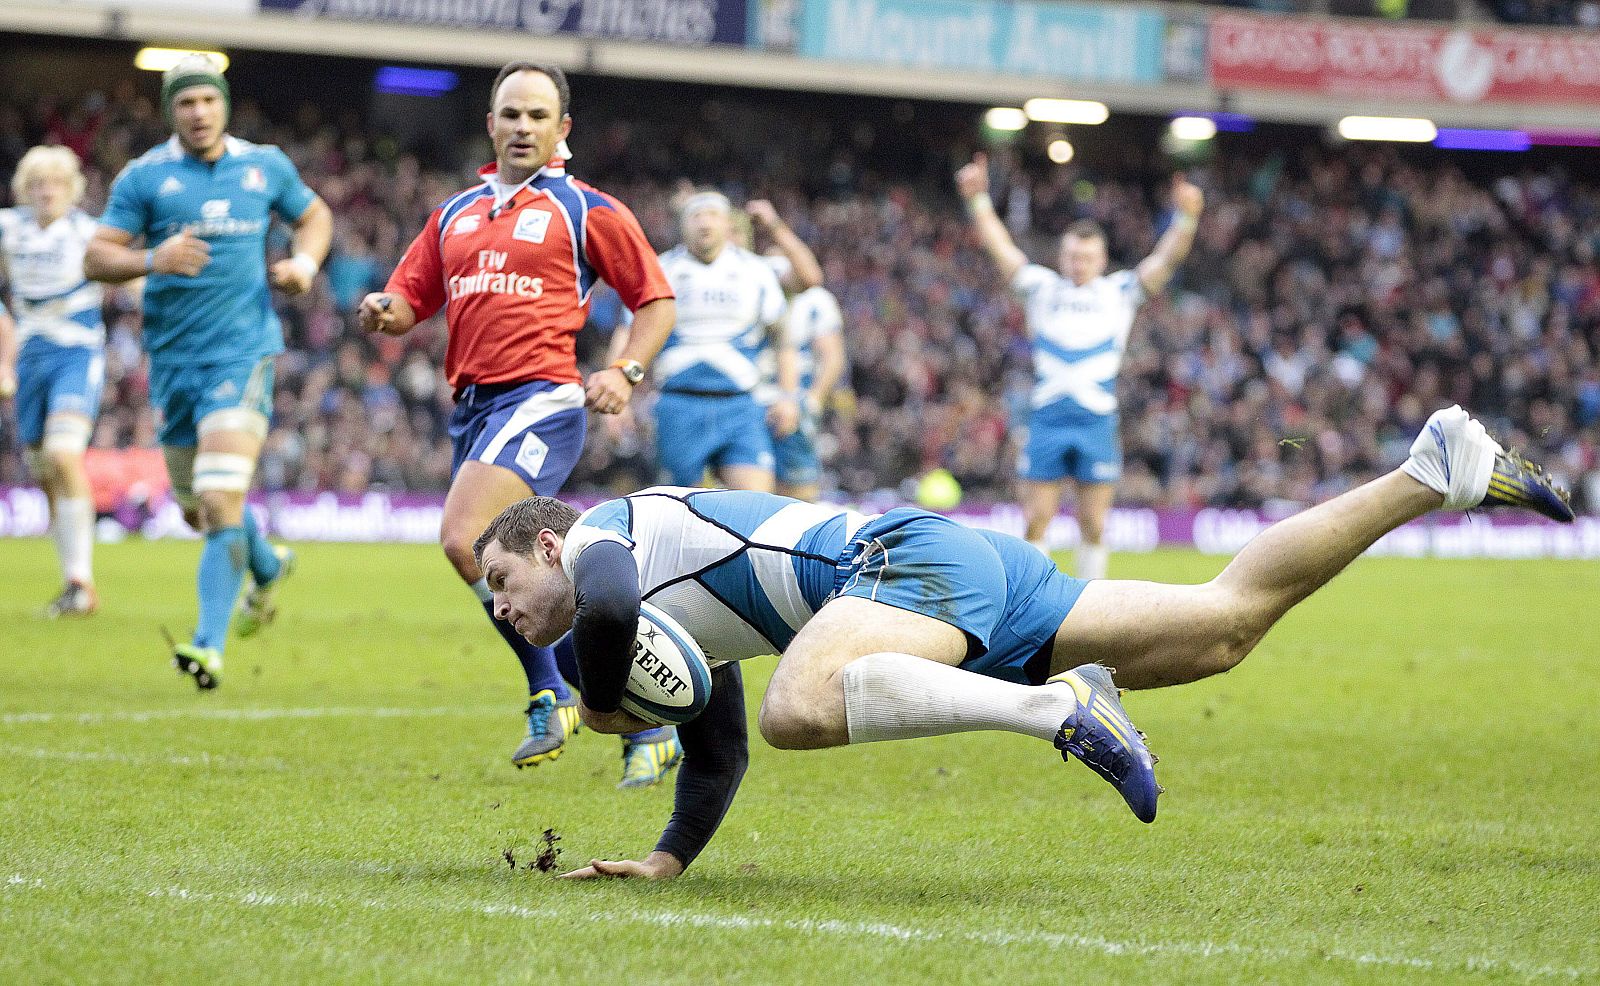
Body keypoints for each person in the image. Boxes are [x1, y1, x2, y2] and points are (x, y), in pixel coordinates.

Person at [473, 405, 1572, 879]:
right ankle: (1432, 468)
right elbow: (714, 754)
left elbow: (606, 597)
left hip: (899, 563)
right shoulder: (658, 618)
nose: (498, 606)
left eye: (501, 578)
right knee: (1223, 624)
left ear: (547, 542)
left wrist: (602, 704)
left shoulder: (609, 536)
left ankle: (1059, 708)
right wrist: (666, 859)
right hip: (957, 574)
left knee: (800, 699)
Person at [357, 62, 683, 788]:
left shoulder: (588, 210)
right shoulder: (454, 214)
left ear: (562, 128)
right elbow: (411, 299)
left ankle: (548, 694)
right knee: (524, 582)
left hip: (542, 397)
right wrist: (386, 309)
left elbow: (655, 301)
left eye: (539, 115)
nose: (524, 127)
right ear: (491, 124)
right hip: (473, 409)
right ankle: (649, 719)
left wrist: (624, 371)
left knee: (461, 539)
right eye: (512, 114)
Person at [85, 55, 330, 688]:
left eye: (208, 101)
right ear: (172, 110)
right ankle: (269, 566)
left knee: (220, 500)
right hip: (172, 363)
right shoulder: (145, 178)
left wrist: (304, 264)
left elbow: (315, 215)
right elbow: (96, 257)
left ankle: (206, 647)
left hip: (242, 352)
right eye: (186, 102)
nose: (199, 112)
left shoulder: (264, 165)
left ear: (225, 106)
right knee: (201, 511)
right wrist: (151, 257)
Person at [956, 153, 1203, 580]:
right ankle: (1034, 600)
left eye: (1087, 257)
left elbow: (1166, 261)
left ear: (1102, 259)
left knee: (1094, 524)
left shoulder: (1119, 291)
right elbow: (1001, 249)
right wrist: (978, 201)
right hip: (1049, 417)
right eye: (1071, 255)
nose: (1078, 264)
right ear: (1061, 255)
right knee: (1036, 519)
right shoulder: (1042, 288)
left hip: (1095, 420)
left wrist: (1187, 217)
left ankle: (1090, 606)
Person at [614, 190, 799, 492]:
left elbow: (783, 337)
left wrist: (788, 396)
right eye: (696, 215)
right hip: (678, 403)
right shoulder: (660, 270)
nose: (704, 222)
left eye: (713, 215)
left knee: (756, 507)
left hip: (740, 403)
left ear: (728, 225)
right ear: (682, 225)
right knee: (678, 511)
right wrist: (621, 397)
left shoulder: (755, 270)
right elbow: (628, 332)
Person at [0, 146, 106, 616]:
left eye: (57, 183)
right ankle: (72, 582)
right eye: (39, 183)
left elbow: (132, 276)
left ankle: (83, 581)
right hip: (29, 356)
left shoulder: (88, 233)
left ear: (71, 189)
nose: (47, 192)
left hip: (76, 352)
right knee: (45, 472)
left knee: (65, 456)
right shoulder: (10, 228)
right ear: (27, 189)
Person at [746, 199, 846, 502]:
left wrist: (814, 399)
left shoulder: (815, 300)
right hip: (748, 398)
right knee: (748, 492)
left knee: (798, 492)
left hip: (794, 398)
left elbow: (831, 355)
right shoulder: (749, 282)